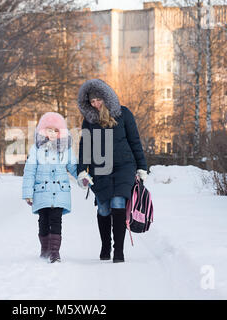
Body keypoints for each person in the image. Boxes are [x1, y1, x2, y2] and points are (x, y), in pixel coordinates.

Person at [76, 79, 148, 263]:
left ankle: (119, 250)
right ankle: (105, 246)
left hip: (124, 166)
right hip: (100, 168)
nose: (95, 104)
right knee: (103, 207)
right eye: (92, 102)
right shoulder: (89, 121)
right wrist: (82, 171)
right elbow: (85, 147)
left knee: (118, 203)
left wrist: (141, 167)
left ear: (106, 97)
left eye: (98, 100)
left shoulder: (124, 114)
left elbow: (135, 141)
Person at [22, 112, 78, 263]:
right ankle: (45, 248)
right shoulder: (36, 149)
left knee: (56, 220)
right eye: (49, 130)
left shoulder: (66, 149)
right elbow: (30, 171)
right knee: (43, 220)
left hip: (60, 191)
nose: (52, 133)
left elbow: (73, 167)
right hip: (41, 191)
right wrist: (28, 193)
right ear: (42, 131)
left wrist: (83, 177)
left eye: (56, 130)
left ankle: (55, 252)